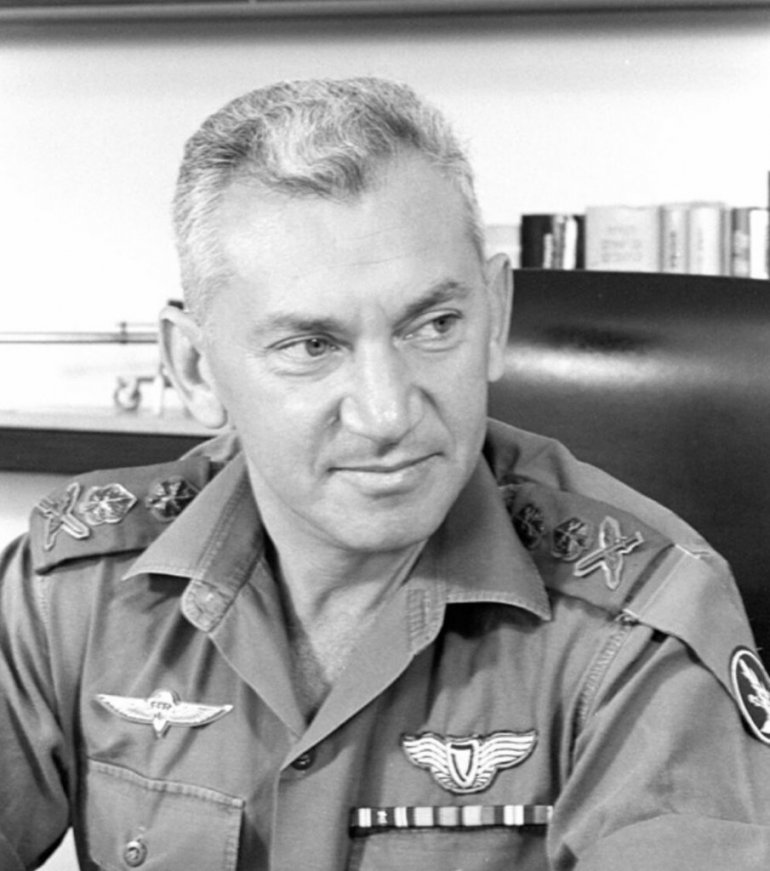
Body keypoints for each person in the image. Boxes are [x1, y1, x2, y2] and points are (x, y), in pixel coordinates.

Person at [1, 77, 769, 871]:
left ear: (495, 314)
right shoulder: (77, 584)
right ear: (195, 367)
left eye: (433, 325)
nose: (387, 411)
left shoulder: (642, 620)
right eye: (312, 346)